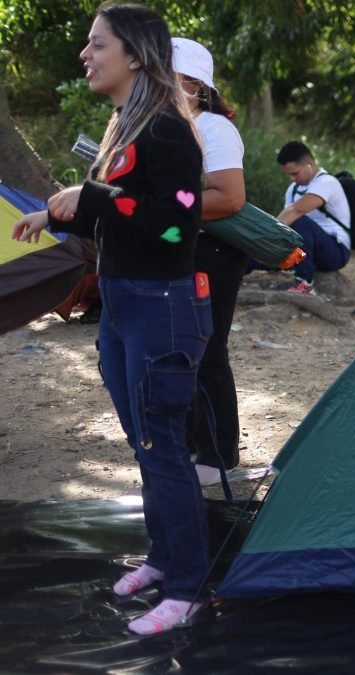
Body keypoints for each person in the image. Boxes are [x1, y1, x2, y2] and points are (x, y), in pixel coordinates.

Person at [12, 3, 210, 634]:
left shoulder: (168, 130)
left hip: (162, 309)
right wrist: (58, 214)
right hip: (123, 306)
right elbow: (124, 209)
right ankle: (161, 558)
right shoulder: (124, 121)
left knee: (164, 446)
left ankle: (186, 589)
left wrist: (91, 197)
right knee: (143, 443)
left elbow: (178, 223)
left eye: (97, 44)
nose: (85, 55)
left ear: (135, 54)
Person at [172, 37, 246, 487]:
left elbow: (229, 198)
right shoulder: (166, 128)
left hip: (212, 253)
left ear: (195, 85)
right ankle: (189, 448)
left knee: (207, 352)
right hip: (179, 248)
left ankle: (219, 455)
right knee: (179, 352)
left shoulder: (214, 129)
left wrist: (164, 201)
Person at [275, 141, 351, 295]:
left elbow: (296, 211)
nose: (292, 179)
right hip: (308, 250)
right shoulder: (293, 189)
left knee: (299, 221)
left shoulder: (327, 182)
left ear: (309, 164)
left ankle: (305, 283)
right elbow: (285, 219)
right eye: (289, 174)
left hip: (336, 251)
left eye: (295, 173)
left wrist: (267, 234)